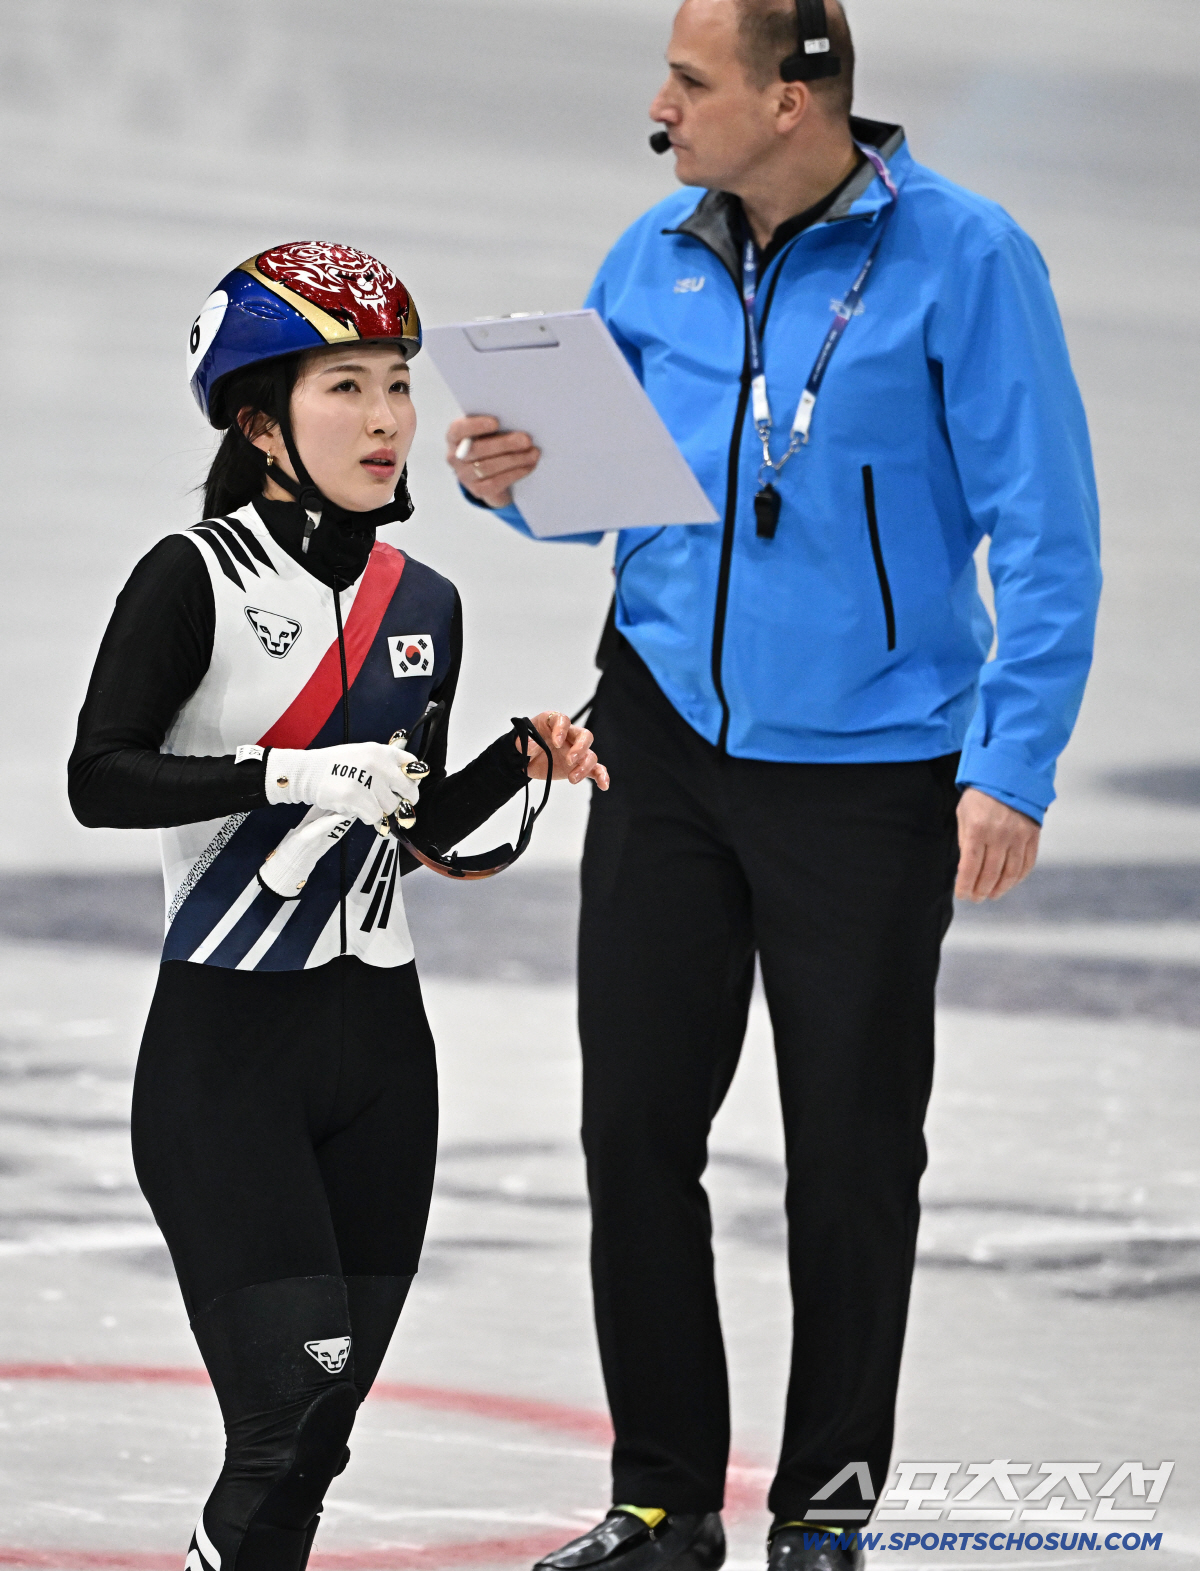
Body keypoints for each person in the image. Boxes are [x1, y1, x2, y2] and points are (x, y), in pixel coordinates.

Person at [444, 2, 1101, 1568]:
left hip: (870, 774)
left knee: (853, 1161)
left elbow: (1050, 531)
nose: (658, 107)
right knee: (635, 1138)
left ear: (796, 100)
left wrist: (1012, 763)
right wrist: (510, 488)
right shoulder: (649, 256)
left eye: (690, 79)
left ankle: (825, 1510)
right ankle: (663, 1500)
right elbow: (609, 499)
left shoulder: (968, 258)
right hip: (662, 747)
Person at [67, 239, 607, 1571]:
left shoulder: (426, 599)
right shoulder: (191, 577)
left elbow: (409, 823)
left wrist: (515, 763)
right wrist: (289, 769)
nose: (385, 421)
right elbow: (101, 777)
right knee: (284, 1410)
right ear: (257, 419)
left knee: (320, 1440)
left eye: (398, 386)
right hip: (230, 1053)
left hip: (382, 1054)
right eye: (345, 388)